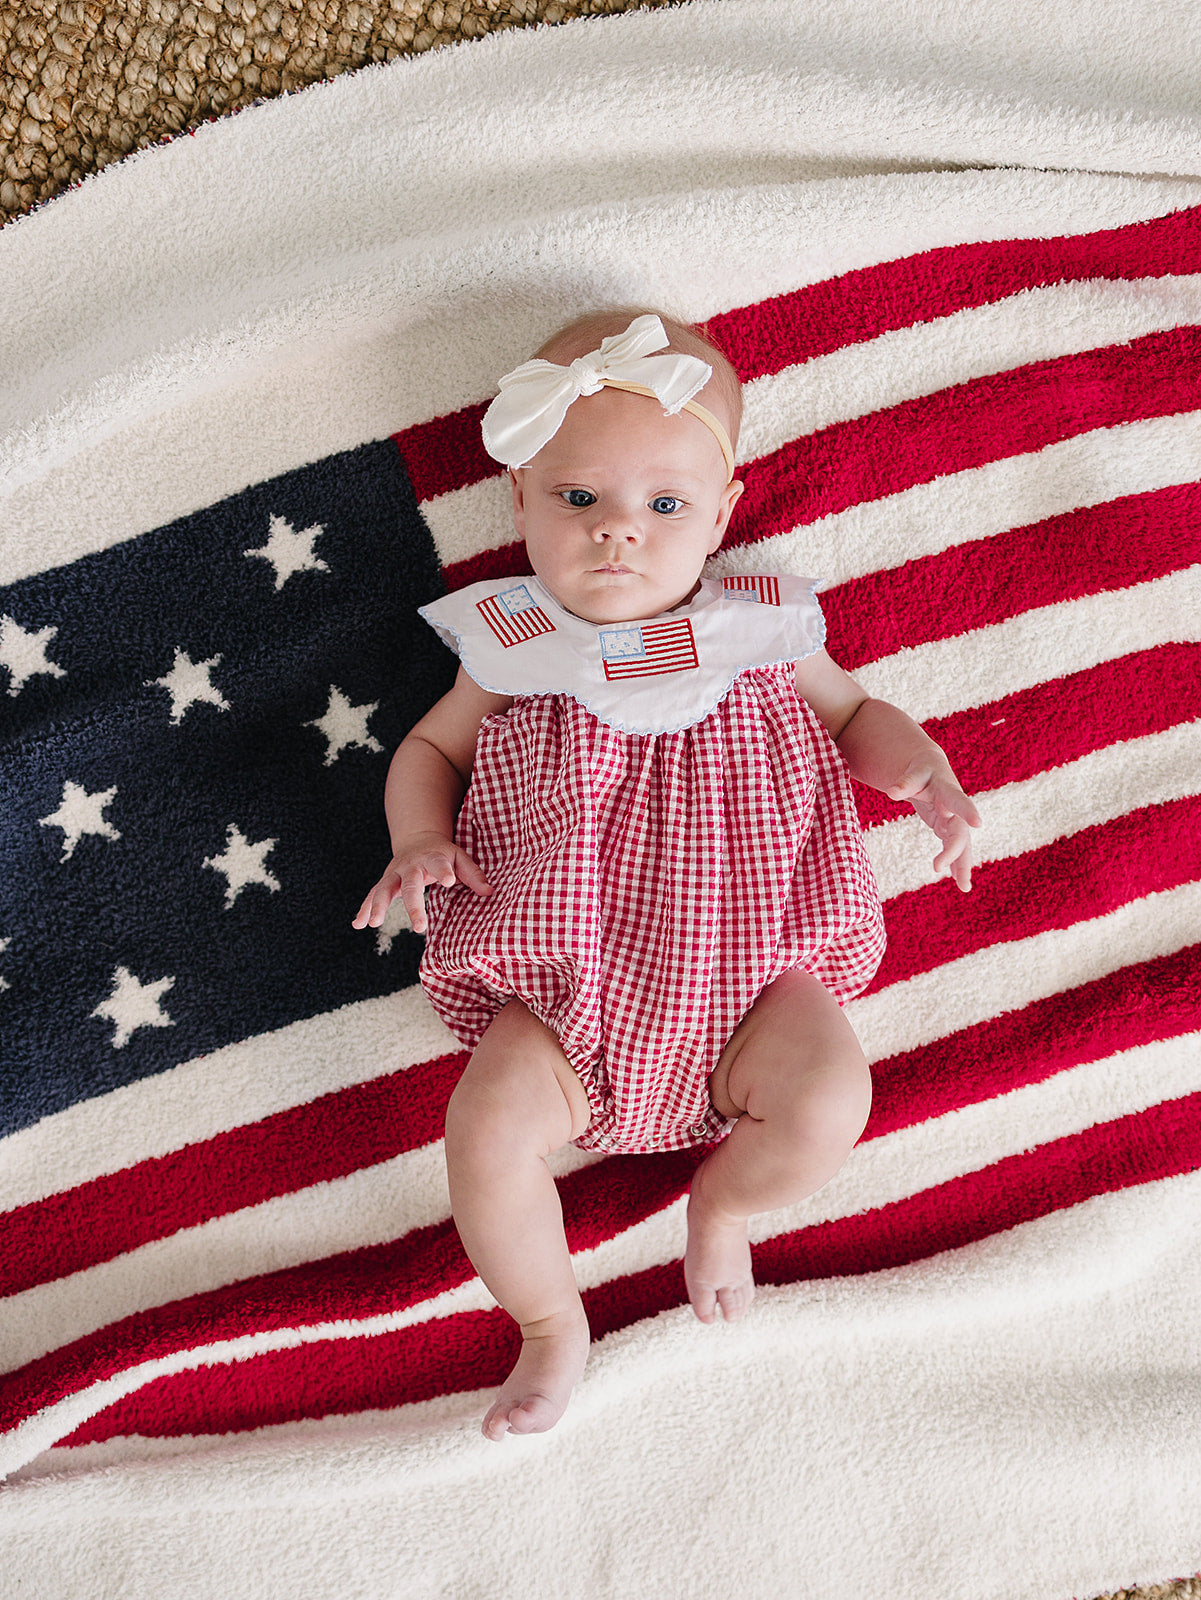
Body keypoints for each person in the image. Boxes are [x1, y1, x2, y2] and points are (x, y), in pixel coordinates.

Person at [354, 310, 981, 1442]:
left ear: (722, 514)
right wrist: (418, 837)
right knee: (484, 1131)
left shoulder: (763, 627)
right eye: (577, 498)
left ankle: (724, 1206)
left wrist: (922, 774)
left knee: (830, 1098)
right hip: (564, 989)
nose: (617, 532)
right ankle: (548, 1322)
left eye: (663, 506)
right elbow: (428, 751)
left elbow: (857, 716)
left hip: (756, 983)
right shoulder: (510, 644)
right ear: (520, 504)